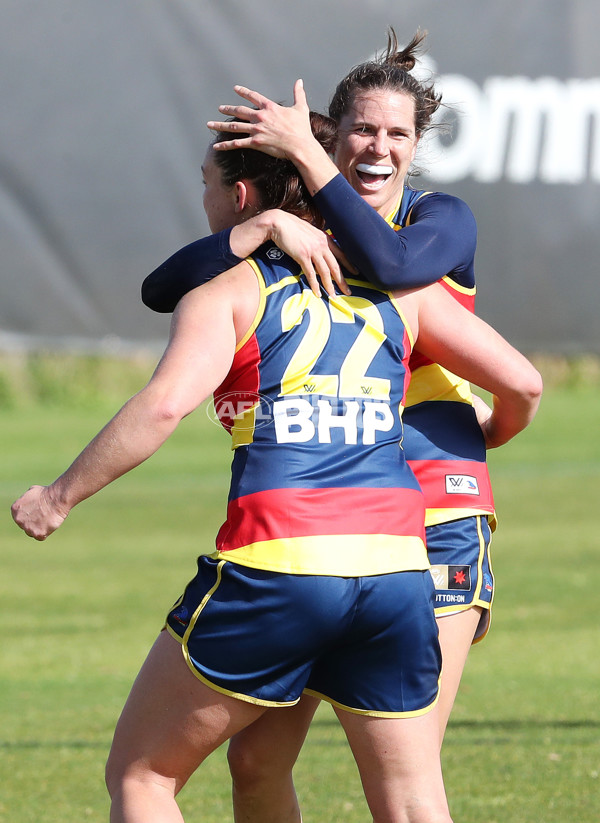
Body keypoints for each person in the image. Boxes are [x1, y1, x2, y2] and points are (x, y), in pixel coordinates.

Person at [11, 113, 542, 823]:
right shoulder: (401, 292)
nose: (201, 196)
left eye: (205, 181)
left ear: (238, 199)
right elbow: (525, 383)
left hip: (281, 564)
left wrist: (58, 495)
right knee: (408, 798)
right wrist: (490, 435)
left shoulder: (230, 291)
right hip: (394, 573)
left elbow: (163, 408)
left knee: (143, 774)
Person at [140, 29, 505, 822]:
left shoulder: (438, 220)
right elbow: (164, 288)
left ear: (417, 146)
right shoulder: (309, 230)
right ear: (335, 132)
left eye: (398, 134)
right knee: (256, 758)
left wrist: (487, 434)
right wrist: (260, 226)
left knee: (407, 781)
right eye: (362, 131)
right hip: (333, 533)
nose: (379, 148)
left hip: (433, 520)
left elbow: (400, 268)